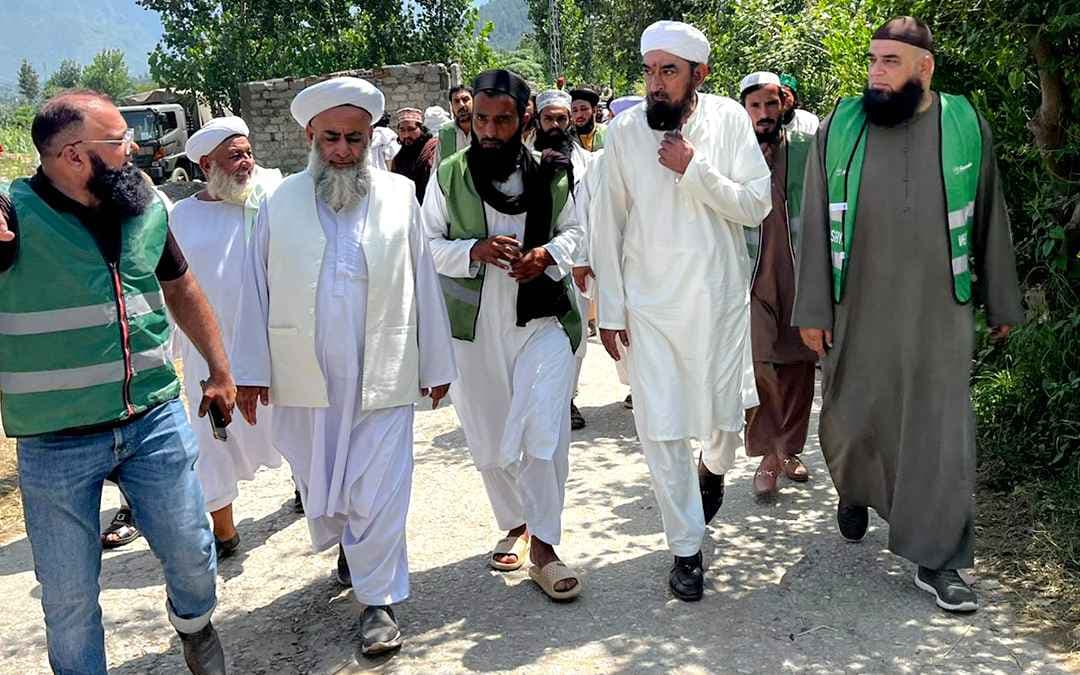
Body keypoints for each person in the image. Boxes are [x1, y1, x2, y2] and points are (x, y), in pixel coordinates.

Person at [793, 17, 1023, 614]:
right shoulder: (840, 127)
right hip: (856, 302)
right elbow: (814, 219)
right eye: (872, 60)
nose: (876, 72)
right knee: (851, 419)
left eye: (890, 62)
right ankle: (855, 487)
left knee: (940, 432)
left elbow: (989, 210)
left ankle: (939, 558)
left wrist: (1001, 297)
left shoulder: (963, 124)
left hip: (939, 310)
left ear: (925, 67)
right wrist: (813, 307)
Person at [0, 90, 232, 674]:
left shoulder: (143, 204)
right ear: (75, 156)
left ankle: (194, 624)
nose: (130, 150)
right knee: (68, 598)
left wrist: (219, 368)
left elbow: (181, 287)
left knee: (193, 553)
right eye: (118, 141)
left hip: (152, 419)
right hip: (54, 439)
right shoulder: (13, 217)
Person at [231, 76, 456, 655]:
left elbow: (422, 278)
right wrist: (249, 371)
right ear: (310, 136)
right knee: (320, 477)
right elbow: (255, 288)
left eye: (354, 139)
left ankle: (378, 601)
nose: (342, 150)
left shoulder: (399, 195)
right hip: (306, 373)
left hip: (384, 367)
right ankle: (352, 550)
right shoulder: (279, 201)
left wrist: (436, 360)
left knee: (380, 485)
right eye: (330, 138)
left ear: (370, 138)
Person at [590, 21, 772, 602]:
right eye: (650, 71)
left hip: (717, 301)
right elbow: (608, 224)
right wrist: (610, 309)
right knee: (661, 425)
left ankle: (713, 470)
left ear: (700, 74)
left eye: (669, 71)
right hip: (650, 306)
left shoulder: (729, 120)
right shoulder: (624, 132)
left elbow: (756, 204)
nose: (656, 83)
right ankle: (687, 549)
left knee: (724, 421)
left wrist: (694, 168)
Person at [422, 70, 586, 602]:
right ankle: (516, 521)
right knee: (490, 436)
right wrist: (473, 250)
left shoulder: (551, 172)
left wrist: (547, 254)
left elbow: (578, 232)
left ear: (525, 118)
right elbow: (425, 245)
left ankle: (546, 548)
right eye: (481, 120)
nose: (490, 131)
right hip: (474, 330)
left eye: (502, 120)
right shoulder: (449, 175)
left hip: (542, 321)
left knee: (543, 428)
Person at [173, 116, 285, 558]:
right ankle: (224, 531)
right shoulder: (182, 216)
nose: (247, 163)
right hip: (208, 350)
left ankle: (308, 490)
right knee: (211, 436)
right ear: (207, 165)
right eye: (235, 156)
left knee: (294, 420)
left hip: (270, 340)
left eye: (249, 153)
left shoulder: (269, 201)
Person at [738, 72, 819, 500]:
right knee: (759, 364)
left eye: (771, 104)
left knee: (800, 363)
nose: (764, 113)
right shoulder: (735, 147)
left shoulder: (806, 141)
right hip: (751, 272)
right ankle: (767, 455)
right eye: (755, 106)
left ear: (784, 103)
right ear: (744, 109)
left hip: (800, 268)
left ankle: (790, 449)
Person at [534, 89, 596, 431]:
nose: (555, 125)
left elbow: (590, 215)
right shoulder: (526, 160)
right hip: (536, 258)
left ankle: (568, 398)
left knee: (576, 334)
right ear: (538, 120)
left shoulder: (588, 163)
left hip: (576, 260)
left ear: (571, 120)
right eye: (549, 119)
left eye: (562, 118)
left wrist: (585, 257)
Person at [390, 107, 439, 202]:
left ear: (421, 129)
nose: (406, 135)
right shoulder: (398, 158)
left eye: (411, 129)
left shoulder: (433, 149)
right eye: (402, 130)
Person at [435, 85, 474, 163]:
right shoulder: (445, 132)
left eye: (465, 100)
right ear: (452, 106)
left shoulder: (485, 130)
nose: (461, 105)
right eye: (456, 101)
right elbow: (438, 166)